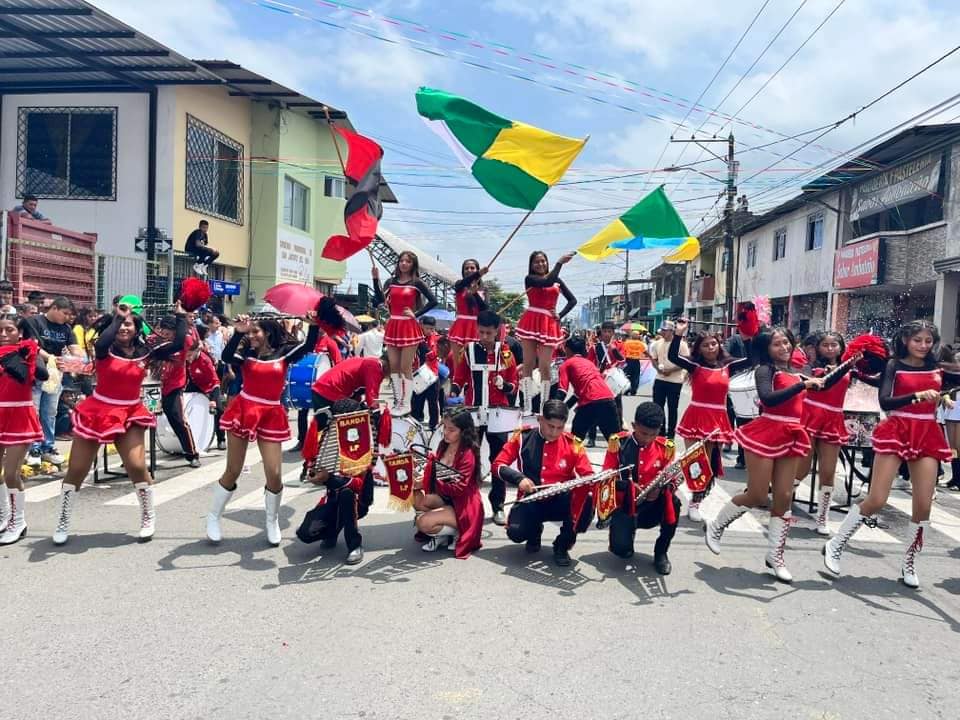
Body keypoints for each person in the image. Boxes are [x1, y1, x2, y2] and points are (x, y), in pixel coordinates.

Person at [823, 321, 960, 589]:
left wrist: (941, 397)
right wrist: (917, 396)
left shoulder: (938, 368)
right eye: (917, 340)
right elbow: (885, 401)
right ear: (905, 340)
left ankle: (910, 562)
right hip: (897, 429)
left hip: (926, 433)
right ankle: (836, 543)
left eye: (928, 340)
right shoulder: (893, 365)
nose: (923, 345)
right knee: (877, 499)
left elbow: (946, 385)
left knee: (923, 506)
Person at [51, 303, 188, 545]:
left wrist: (181, 317)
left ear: (137, 328)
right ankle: (63, 520)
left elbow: (178, 344)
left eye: (129, 324)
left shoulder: (146, 352)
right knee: (77, 469)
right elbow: (103, 341)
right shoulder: (104, 349)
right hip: (98, 410)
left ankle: (148, 516)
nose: (124, 327)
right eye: (121, 324)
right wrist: (118, 317)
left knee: (136, 465)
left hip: (130, 412)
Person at [703, 327, 830, 583]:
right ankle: (716, 526)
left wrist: (845, 368)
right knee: (758, 494)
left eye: (786, 342)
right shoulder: (765, 370)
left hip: (792, 434)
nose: (784, 347)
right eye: (777, 344)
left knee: (784, 497)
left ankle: (775, 555)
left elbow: (816, 388)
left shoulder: (797, 372)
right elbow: (768, 399)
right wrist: (803, 385)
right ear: (766, 349)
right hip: (767, 431)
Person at [205, 312, 319, 546]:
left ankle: (271, 520)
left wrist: (314, 325)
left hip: (271, 413)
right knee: (233, 470)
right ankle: (214, 516)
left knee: (274, 473)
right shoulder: (246, 353)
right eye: (250, 332)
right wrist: (238, 333)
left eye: (255, 331)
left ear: (267, 332)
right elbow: (226, 356)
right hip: (244, 409)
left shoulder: (284, 353)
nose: (252, 335)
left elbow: (309, 345)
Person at [493, 400, 594, 567]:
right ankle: (534, 531)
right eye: (550, 426)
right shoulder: (522, 437)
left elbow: (588, 475)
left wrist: (578, 484)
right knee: (516, 533)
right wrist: (519, 479)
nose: (554, 432)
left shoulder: (573, 444)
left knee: (586, 500)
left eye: (560, 428)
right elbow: (498, 465)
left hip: (561, 500)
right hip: (531, 499)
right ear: (540, 419)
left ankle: (562, 545)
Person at [667, 319, 751, 522]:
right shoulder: (695, 365)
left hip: (718, 419)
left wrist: (749, 334)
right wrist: (679, 334)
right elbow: (673, 356)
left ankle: (695, 500)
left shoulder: (728, 364)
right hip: (696, 416)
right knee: (694, 461)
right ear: (699, 349)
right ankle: (677, 493)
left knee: (708, 464)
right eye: (706, 345)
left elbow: (752, 359)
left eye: (714, 343)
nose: (711, 347)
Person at [794, 331, 875, 535]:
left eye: (834, 345)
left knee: (828, 471)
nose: (830, 349)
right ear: (818, 347)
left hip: (833, 419)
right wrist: (846, 366)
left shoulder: (850, 368)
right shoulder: (811, 367)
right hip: (810, 415)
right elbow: (823, 384)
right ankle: (783, 503)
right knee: (802, 469)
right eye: (825, 345)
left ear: (841, 347)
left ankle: (823, 517)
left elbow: (875, 380)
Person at [452, 310, 519, 525]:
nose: (484, 337)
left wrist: (504, 385)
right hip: (473, 411)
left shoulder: (506, 353)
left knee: (498, 460)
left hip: (498, 413)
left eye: (489, 333)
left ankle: (498, 505)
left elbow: (514, 385)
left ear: (497, 331)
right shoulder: (468, 350)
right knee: (469, 458)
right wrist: (453, 391)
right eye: (481, 332)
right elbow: (459, 377)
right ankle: (467, 503)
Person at [602, 403, 679, 575]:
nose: (648, 439)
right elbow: (606, 478)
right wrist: (628, 487)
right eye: (644, 433)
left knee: (674, 503)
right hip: (625, 505)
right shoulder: (618, 443)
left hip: (652, 507)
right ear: (634, 425)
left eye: (653, 434)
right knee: (622, 551)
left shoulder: (666, 447)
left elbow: (672, 479)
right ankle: (624, 536)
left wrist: (660, 489)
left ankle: (661, 552)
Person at [298, 398, 376, 565]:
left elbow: (358, 485)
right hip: (332, 499)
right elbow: (312, 466)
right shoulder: (327, 440)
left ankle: (354, 545)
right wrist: (313, 474)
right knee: (305, 533)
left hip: (357, 501)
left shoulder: (363, 444)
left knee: (347, 494)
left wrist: (329, 478)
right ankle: (332, 531)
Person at [0, 312, 48, 544]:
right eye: (0, 330)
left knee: (11, 473)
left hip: (19, 415)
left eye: (9, 329)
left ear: (19, 332)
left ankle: (18, 522)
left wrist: (31, 351)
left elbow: (42, 375)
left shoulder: (28, 351)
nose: (3, 334)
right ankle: (3, 516)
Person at [371, 251, 438, 415]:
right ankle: (397, 401)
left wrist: (416, 313)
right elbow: (380, 300)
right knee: (393, 365)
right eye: (401, 260)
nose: (404, 263)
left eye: (408, 261)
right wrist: (375, 279)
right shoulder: (391, 282)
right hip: (393, 324)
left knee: (405, 366)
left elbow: (433, 301)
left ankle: (406, 403)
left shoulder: (417, 282)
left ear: (413, 264)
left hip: (408, 326)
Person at [413, 408, 484, 557]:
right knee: (416, 497)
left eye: (451, 430)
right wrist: (419, 478)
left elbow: (458, 489)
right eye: (444, 427)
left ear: (463, 431)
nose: (445, 432)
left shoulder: (468, 454)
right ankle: (442, 533)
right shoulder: (443, 445)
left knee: (422, 522)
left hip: (464, 505)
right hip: (447, 498)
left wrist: (428, 481)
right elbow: (438, 475)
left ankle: (457, 532)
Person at [21, 296, 81, 467]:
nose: (67, 317)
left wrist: (75, 359)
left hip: (55, 376)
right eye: (65, 313)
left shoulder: (66, 328)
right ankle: (33, 448)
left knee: (50, 412)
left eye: (69, 314)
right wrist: (52, 358)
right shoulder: (34, 322)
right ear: (54, 308)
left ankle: (48, 446)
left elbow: (75, 349)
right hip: (36, 373)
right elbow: (32, 346)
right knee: (34, 411)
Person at [515, 251, 577, 414]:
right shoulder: (530, 278)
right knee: (528, 363)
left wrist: (560, 315)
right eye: (536, 262)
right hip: (531, 320)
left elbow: (572, 300)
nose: (540, 264)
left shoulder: (557, 280)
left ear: (547, 262)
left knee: (545, 366)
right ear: (531, 265)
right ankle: (527, 404)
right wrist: (560, 263)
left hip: (548, 323)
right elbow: (546, 281)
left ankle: (544, 406)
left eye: (543, 261)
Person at [153, 315, 201, 467]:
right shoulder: (154, 340)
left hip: (174, 386)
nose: (164, 335)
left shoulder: (183, 341)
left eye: (168, 332)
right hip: (153, 387)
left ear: (175, 331)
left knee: (178, 420)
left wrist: (184, 319)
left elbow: (194, 343)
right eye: (162, 331)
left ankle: (192, 454)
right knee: (143, 421)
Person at [559, 335, 622, 446]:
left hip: (590, 402)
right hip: (608, 399)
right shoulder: (589, 364)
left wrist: (553, 409)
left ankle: (571, 457)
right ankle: (624, 457)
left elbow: (562, 391)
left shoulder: (566, 364)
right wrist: (565, 408)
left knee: (575, 440)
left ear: (567, 349)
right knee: (616, 441)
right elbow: (578, 394)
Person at [647, 320, 688, 439]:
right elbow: (654, 359)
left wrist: (671, 370)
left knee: (672, 408)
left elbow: (685, 362)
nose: (663, 333)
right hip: (660, 378)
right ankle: (660, 431)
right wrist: (658, 369)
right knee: (658, 406)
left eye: (665, 331)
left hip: (675, 380)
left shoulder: (681, 344)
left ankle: (671, 434)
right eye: (662, 331)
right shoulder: (657, 343)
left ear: (671, 331)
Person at [186, 331, 226, 452]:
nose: (188, 358)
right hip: (194, 385)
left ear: (197, 351)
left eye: (190, 355)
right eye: (186, 355)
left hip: (210, 386)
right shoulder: (186, 360)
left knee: (219, 410)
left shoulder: (205, 361)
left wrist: (213, 399)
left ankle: (221, 439)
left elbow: (215, 381)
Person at [447, 258, 489, 373]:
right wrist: (478, 273)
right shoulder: (459, 285)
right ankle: (458, 384)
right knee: (458, 364)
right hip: (461, 326)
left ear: (477, 269)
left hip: (477, 327)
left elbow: (485, 309)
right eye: (466, 268)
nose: (469, 270)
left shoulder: (484, 289)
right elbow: (463, 283)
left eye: (472, 268)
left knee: (476, 364)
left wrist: (475, 294)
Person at [586, 320, 626, 440]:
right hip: (599, 379)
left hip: (614, 380)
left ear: (613, 333)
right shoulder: (595, 347)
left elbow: (623, 361)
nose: (607, 334)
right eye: (604, 331)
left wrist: (614, 350)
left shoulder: (619, 345)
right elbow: (589, 363)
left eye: (609, 331)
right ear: (601, 332)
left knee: (617, 408)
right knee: (595, 408)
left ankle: (619, 435)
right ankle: (592, 437)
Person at [411, 315, 441, 431]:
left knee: (433, 401)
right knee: (417, 401)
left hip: (432, 374)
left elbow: (432, 354)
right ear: (422, 326)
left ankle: (434, 425)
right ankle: (415, 423)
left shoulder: (436, 338)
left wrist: (423, 344)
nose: (429, 331)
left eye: (432, 329)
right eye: (427, 328)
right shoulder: (415, 337)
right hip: (419, 374)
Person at [622, 330, 647, 395]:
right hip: (636, 362)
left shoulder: (627, 343)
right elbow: (645, 352)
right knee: (636, 376)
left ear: (631, 336)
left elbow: (623, 351)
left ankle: (626, 389)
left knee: (627, 375)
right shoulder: (640, 343)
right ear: (638, 336)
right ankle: (633, 390)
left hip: (628, 361)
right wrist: (650, 356)